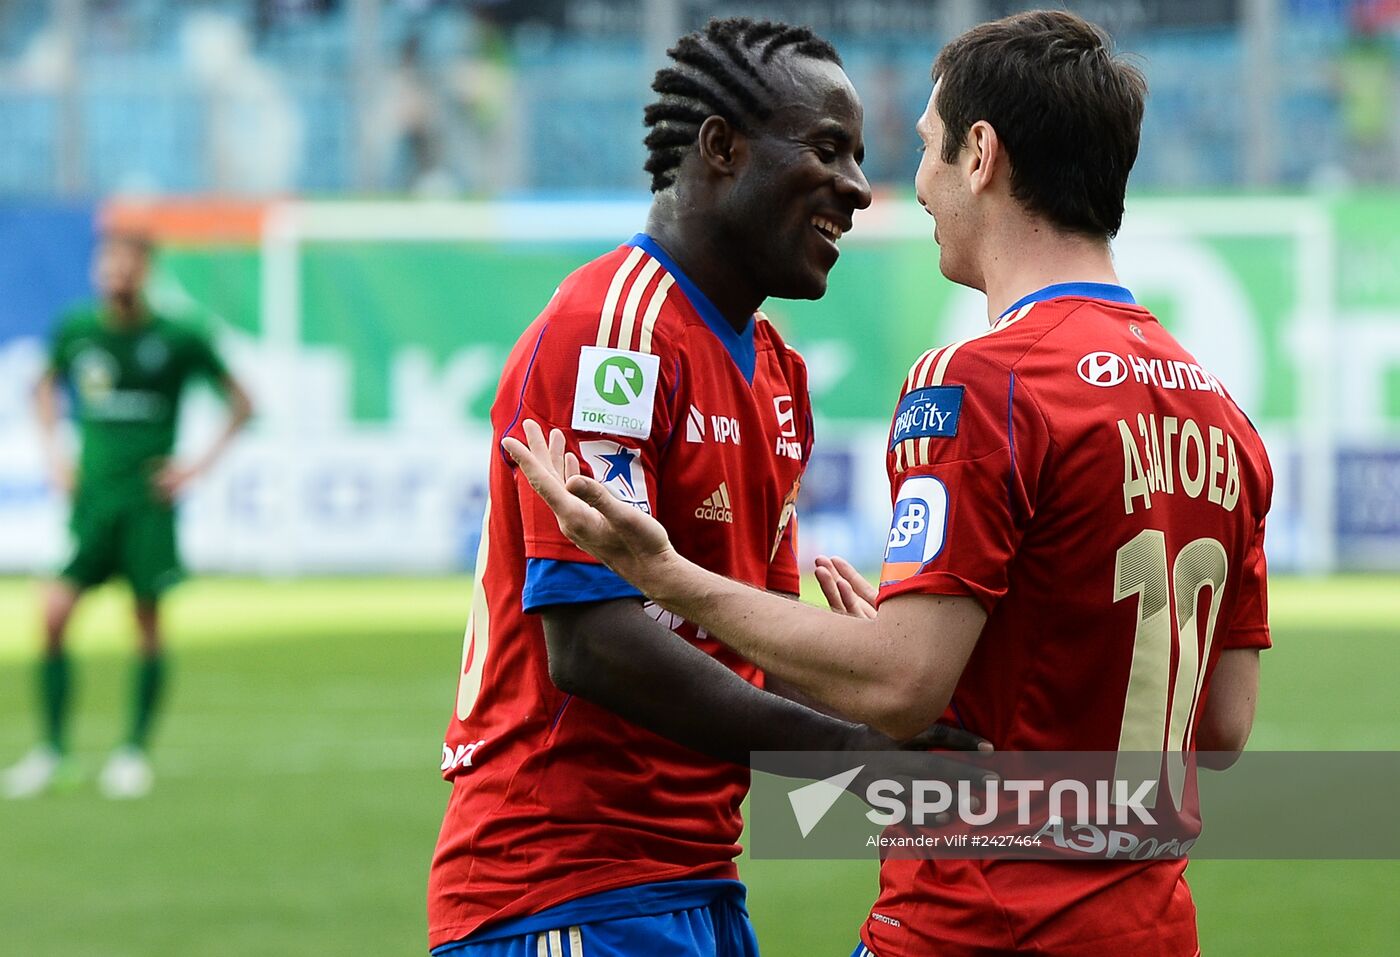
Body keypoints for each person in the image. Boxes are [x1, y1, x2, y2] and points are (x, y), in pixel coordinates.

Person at [506, 10, 1273, 957]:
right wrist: (940, 653)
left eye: (923, 149)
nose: (897, 189)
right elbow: (1222, 724)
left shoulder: (979, 380)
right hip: (1149, 925)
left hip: (974, 919)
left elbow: (906, 686)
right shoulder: (1223, 417)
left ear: (980, 154)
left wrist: (670, 576)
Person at [428, 17, 989, 957]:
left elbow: (749, 638)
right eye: (826, 149)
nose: (855, 188)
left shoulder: (776, 372)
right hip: (562, 885)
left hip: (697, 879)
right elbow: (594, 642)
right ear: (721, 147)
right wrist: (856, 759)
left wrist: (880, 686)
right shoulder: (613, 328)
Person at [1, 230, 253, 800]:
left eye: (126, 263)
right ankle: (53, 752)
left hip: (146, 506)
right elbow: (41, 387)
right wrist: (54, 453)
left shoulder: (181, 337)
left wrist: (194, 469)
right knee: (53, 615)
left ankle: (133, 753)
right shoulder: (78, 330)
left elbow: (243, 402)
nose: (115, 272)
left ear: (145, 272)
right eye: (107, 262)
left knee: (145, 626)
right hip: (90, 504)